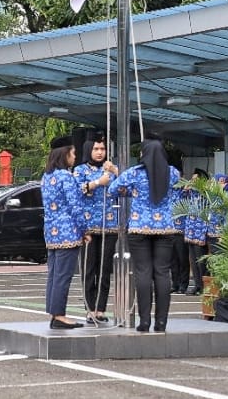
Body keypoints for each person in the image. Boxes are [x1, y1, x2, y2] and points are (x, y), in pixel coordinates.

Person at [107, 137, 180, 332]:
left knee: (143, 273)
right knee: (162, 273)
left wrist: (133, 192)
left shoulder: (134, 173)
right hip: (165, 227)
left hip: (139, 227)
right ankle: (161, 322)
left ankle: (145, 321)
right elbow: (174, 189)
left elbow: (113, 189)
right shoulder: (173, 173)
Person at [41, 135, 88, 330]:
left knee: (54, 274)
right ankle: (59, 315)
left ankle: (54, 312)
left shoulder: (46, 177)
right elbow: (75, 206)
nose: (75, 157)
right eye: (73, 153)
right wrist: (84, 229)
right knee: (63, 276)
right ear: (65, 154)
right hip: (68, 232)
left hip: (51, 232)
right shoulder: (66, 177)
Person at [74, 132, 119, 325]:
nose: (100, 152)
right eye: (96, 149)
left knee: (104, 270)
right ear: (89, 150)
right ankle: (89, 309)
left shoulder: (110, 169)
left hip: (109, 226)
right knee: (89, 269)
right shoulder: (80, 170)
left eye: (102, 149)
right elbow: (76, 190)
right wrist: (97, 183)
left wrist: (115, 171)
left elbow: (125, 187)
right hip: (88, 227)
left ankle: (100, 309)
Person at [182, 168, 210, 295]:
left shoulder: (205, 194)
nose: (192, 181)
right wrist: (186, 189)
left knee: (201, 262)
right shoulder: (191, 193)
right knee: (193, 261)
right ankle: (197, 285)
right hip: (191, 231)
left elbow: (208, 215)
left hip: (200, 232)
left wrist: (204, 233)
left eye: (195, 179)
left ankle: (204, 286)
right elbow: (181, 199)